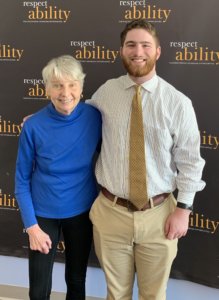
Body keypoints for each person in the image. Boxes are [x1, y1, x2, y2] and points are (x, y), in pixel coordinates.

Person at [88, 20, 206, 300]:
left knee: (154, 295)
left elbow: (190, 162)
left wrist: (184, 210)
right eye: (131, 44)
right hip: (111, 213)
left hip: (159, 215)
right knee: (116, 295)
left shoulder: (178, 103)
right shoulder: (106, 92)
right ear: (121, 51)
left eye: (145, 45)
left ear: (158, 52)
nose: (137, 51)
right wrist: (45, 121)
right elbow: (76, 122)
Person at [15, 55, 101, 300]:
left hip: (82, 213)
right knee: (39, 287)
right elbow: (21, 180)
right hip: (43, 216)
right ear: (46, 89)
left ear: (82, 87)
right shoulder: (33, 126)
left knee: (77, 280)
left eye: (72, 84)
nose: (66, 92)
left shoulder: (94, 117)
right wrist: (32, 227)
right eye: (57, 85)